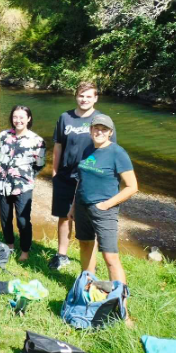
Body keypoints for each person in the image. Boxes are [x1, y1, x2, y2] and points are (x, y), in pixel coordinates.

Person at [50, 81, 117, 270]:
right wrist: (55, 173)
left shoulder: (102, 121)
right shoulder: (65, 118)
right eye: (81, 95)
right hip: (65, 176)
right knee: (64, 217)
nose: (84, 99)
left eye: (89, 96)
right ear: (76, 96)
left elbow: (109, 150)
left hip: (90, 179)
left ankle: (90, 262)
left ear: (95, 98)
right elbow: (58, 146)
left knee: (88, 220)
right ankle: (61, 255)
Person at [69, 114, 136, 287]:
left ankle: (121, 305)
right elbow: (81, 180)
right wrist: (73, 205)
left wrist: (106, 205)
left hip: (105, 211)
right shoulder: (88, 149)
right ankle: (87, 285)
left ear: (110, 132)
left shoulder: (117, 153)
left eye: (104, 129)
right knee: (85, 244)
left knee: (110, 256)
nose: (99, 132)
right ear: (90, 130)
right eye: (96, 128)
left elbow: (132, 187)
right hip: (82, 207)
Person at [0, 105, 46, 262]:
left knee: (23, 220)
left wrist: (26, 176)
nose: (18, 120)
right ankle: (9, 245)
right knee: (5, 218)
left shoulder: (37, 140)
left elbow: (40, 164)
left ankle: (25, 250)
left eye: (22, 117)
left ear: (28, 118)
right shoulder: (3, 135)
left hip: (23, 186)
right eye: (15, 117)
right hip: (2, 183)